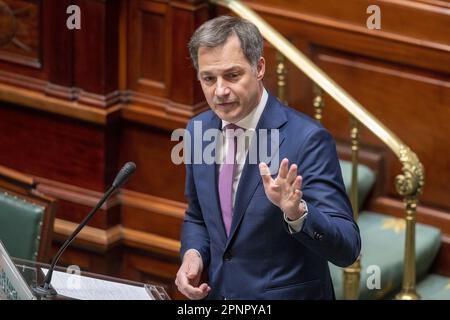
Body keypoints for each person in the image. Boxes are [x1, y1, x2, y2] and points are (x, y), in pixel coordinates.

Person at [175, 15, 361, 300]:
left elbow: (347, 248)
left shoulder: (307, 140)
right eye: (208, 78)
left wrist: (297, 213)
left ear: (259, 67)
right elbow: (197, 216)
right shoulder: (197, 131)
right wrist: (193, 255)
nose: (220, 91)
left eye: (233, 75)